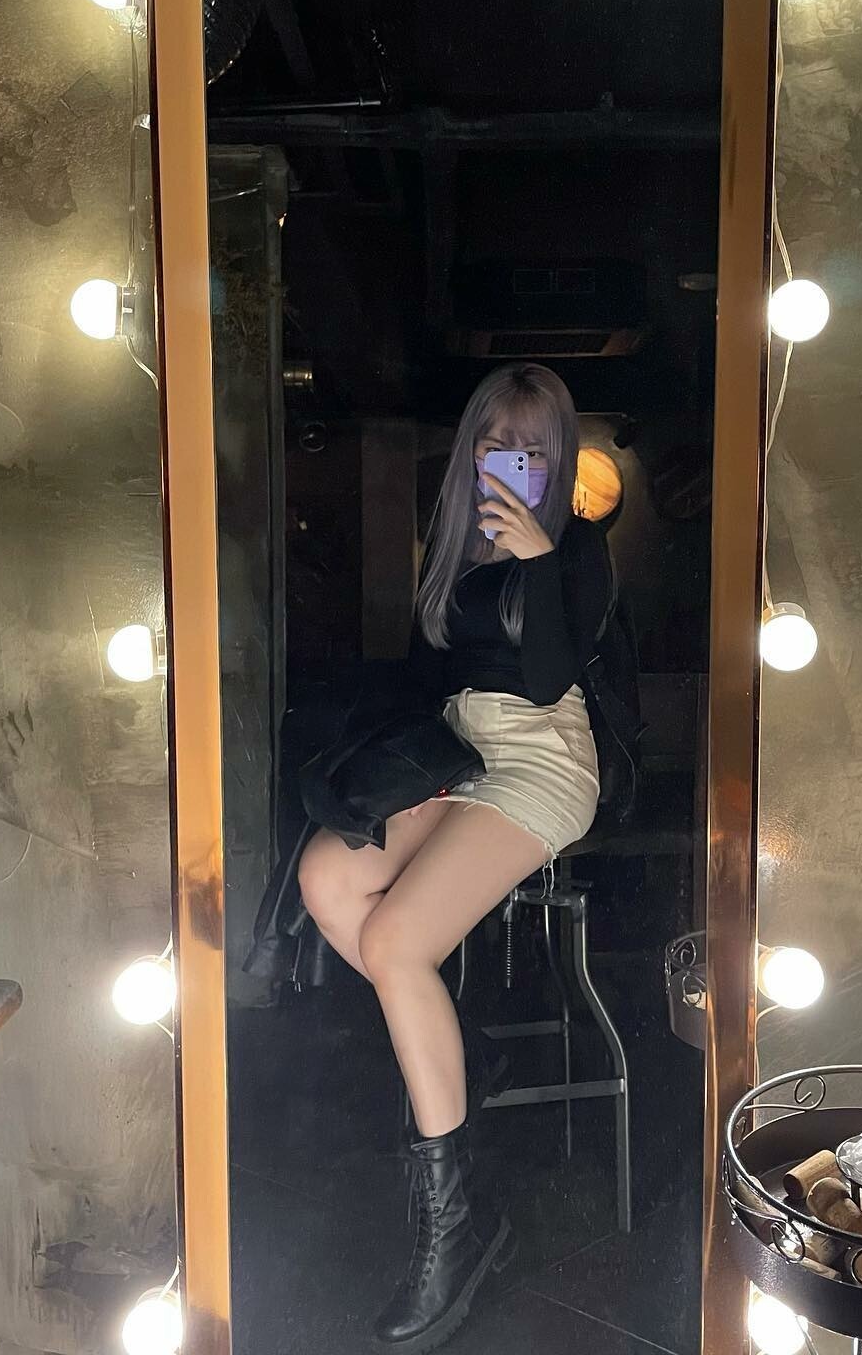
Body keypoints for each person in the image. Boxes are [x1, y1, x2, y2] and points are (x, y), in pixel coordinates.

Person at [298, 362, 611, 1353]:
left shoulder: (578, 548)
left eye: (531, 449)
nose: (509, 462)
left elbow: (553, 675)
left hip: (544, 758)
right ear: (472, 448)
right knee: (327, 876)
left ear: (556, 459)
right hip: (463, 750)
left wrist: (540, 558)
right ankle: (454, 1046)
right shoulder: (454, 547)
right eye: (493, 443)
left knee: (395, 943)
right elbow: (431, 671)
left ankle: (457, 1231)